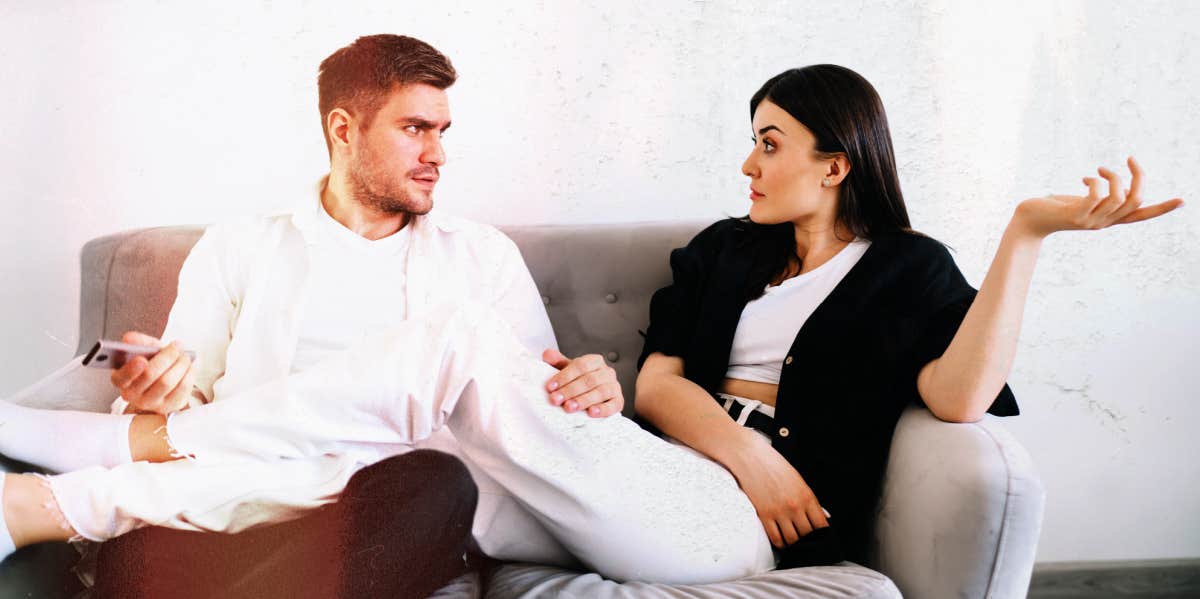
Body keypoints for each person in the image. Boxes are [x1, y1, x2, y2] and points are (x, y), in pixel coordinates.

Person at [0, 62, 1182, 587]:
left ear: (837, 160)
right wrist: (742, 440)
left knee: (460, 345)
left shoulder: (912, 269)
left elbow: (962, 401)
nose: (746, 161)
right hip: (652, 474)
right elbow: (662, 383)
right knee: (403, 454)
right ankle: (53, 503)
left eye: (770, 142)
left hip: (740, 533)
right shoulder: (729, 250)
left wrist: (1026, 235)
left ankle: (86, 469)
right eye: (749, 137)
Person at [0, 34, 625, 599]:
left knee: (440, 485)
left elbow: (528, 422)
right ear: (343, 128)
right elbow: (184, 403)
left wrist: (588, 388)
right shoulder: (239, 246)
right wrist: (155, 400)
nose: (437, 153)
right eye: (415, 128)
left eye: (442, 130)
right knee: (140, 553)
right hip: (228, 509)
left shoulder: (483, 257)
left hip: (371, 516)